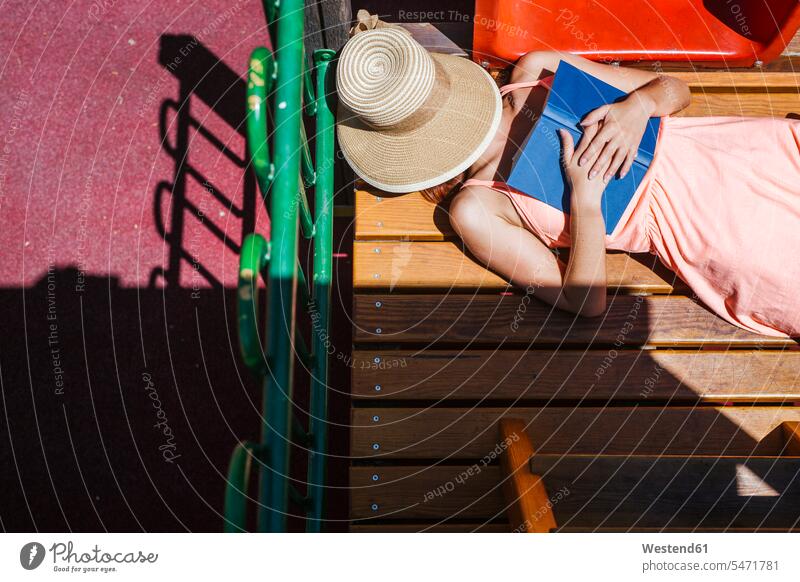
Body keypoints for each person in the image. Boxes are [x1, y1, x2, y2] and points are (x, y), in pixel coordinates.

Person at [335, 19, 800, 338]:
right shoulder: (477, 208)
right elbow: (585, 302)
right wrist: (585, 200)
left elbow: (677, 92)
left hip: (741, 150)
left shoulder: (535, 70)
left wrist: (636, 108)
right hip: (712, 229)